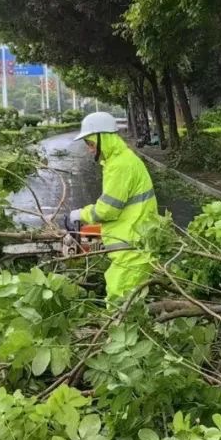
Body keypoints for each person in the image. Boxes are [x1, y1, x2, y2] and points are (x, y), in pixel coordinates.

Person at [64, 112, 160, 301]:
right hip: (135, 242)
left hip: (132, 247)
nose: (90, 150)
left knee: (119, 301)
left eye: (91, 144)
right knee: (128, 300)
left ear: (103, 139)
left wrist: (79, 214)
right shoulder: (122, 159)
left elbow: (107, 209)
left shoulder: (120, 165)